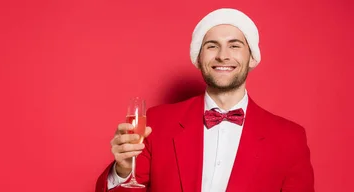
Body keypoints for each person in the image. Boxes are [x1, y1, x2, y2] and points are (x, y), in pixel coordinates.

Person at [95, 8, 315, 192]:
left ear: (252, 58)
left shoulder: (290, 138)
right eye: (212, 46)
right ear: (198, 58)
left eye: (235, 45)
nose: (223, 55)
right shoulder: (157, 122)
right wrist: (122, 171)